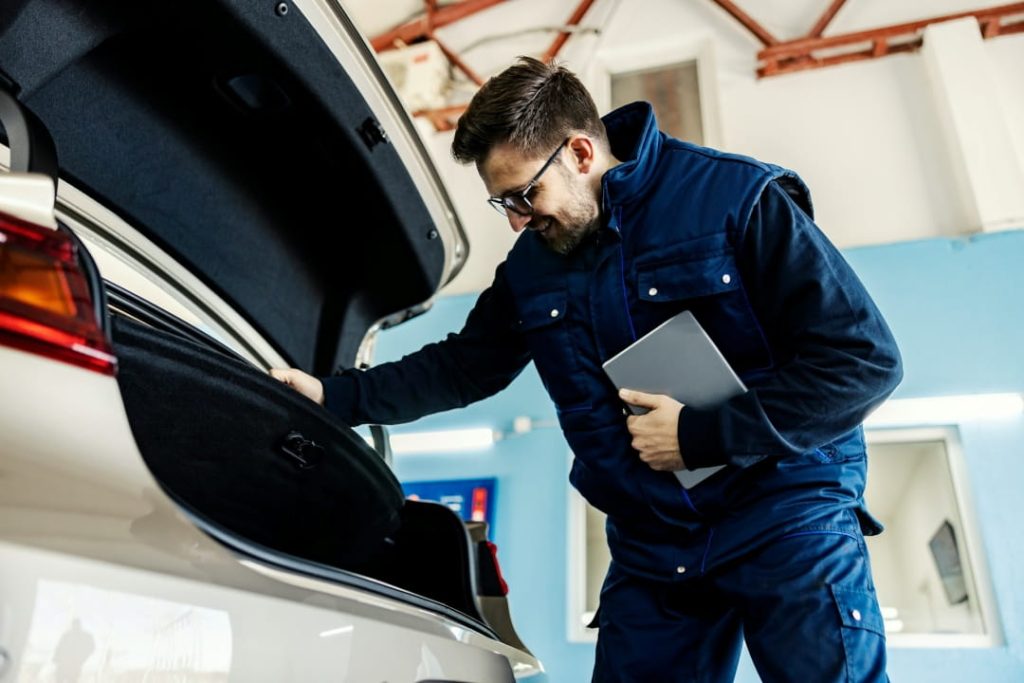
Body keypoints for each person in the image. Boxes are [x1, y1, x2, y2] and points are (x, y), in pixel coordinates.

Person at [272, 56, 902, 683]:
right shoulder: (533, 265)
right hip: (654, 541)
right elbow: (464, 367)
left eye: (524, 195)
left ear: (579, 152)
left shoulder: (735, 200)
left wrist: (700, 435)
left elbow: (861, 360)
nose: (518, 220)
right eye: (503, 203)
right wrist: (333, 396)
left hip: (785, 515)